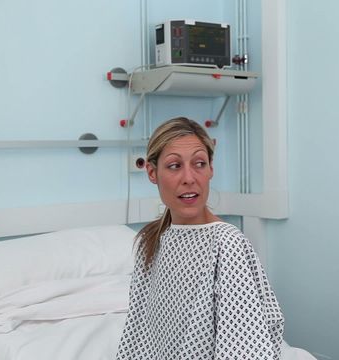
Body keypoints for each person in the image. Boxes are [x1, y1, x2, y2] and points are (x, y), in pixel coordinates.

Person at [116, 117, 284, 359]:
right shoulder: (149, 242)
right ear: (152, 172)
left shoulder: (226, 244)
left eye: (199, 164)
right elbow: (137, 335)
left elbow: (244, 349)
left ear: (211, 170)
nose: (189, 178)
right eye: (175, 166)